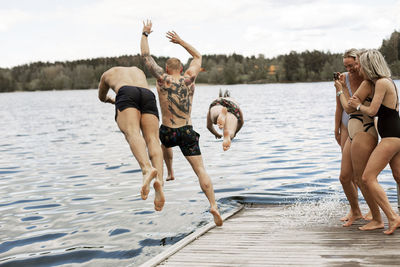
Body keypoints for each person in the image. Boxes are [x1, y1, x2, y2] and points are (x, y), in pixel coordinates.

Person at [140, 20, 223, 226]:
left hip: (168, 130)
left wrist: (145, 33)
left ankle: (164, 177)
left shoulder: (162, 79)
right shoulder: (189, 78)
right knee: (200, 170)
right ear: (182, 68)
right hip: (187, 130)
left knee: (162, 143)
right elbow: (198, 56)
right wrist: (180, 41)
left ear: (167, 68)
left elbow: (145, 56)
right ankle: (213, 204)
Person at [98, 66, 165, 211]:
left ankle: (147, 169)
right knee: (153, 139)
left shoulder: (107, 74)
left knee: (132, 132)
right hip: (147, 94)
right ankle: (159, 181)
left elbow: (101, 97)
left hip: (126, 92)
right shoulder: (137, 70)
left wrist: (111, 100)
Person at [348, 49, 400, 234]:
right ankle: (394, 217)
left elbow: (372, 111)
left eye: (363, 64)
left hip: (391, 137)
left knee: (367, 178)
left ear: (370, 65)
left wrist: (357, 105)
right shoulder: (387, 81)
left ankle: (392, 218)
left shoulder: (382, 82)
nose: (361, 68)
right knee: (398, 175)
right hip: (394, 135)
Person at [333, 49, 368, 226]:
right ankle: (355, 208)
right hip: (346, 125)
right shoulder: (343, 78)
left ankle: (370, 207)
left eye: (351, 65)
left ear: (359, 61)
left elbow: (354, 106)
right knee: (348, 171)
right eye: (346, 66)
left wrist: (342, 90)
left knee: (361, 171)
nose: (349, 69)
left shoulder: (366, 77)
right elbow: (340, 106)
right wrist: (337, 128)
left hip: (362, 124)